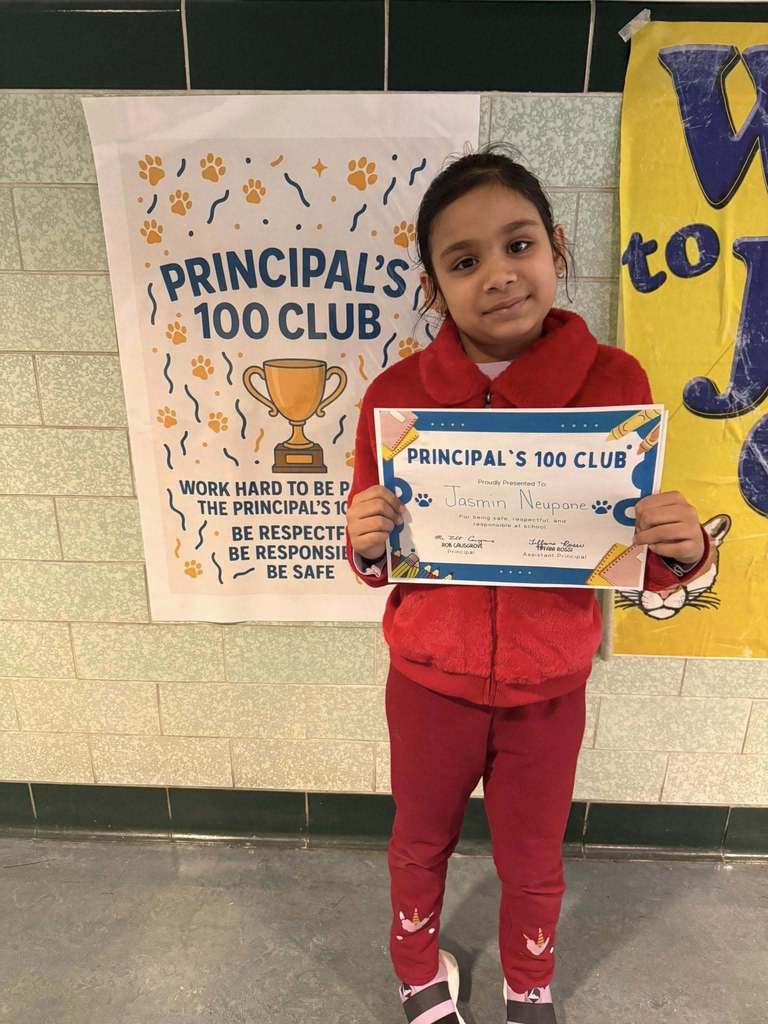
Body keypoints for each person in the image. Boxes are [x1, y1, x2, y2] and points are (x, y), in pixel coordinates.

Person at [345, 146, 711, 1024]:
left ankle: (529, 983)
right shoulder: (399, 399)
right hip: (429, 682)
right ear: (434, 287)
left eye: (518, 246)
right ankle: (415, 969)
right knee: (418, 843)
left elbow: (637, 553)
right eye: (464, 262)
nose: (499, 276)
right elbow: (375, 558)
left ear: (555, 248)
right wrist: (363, 541)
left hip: (549, 687)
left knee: (535, 857)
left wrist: (687, 550)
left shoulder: (615, 384)